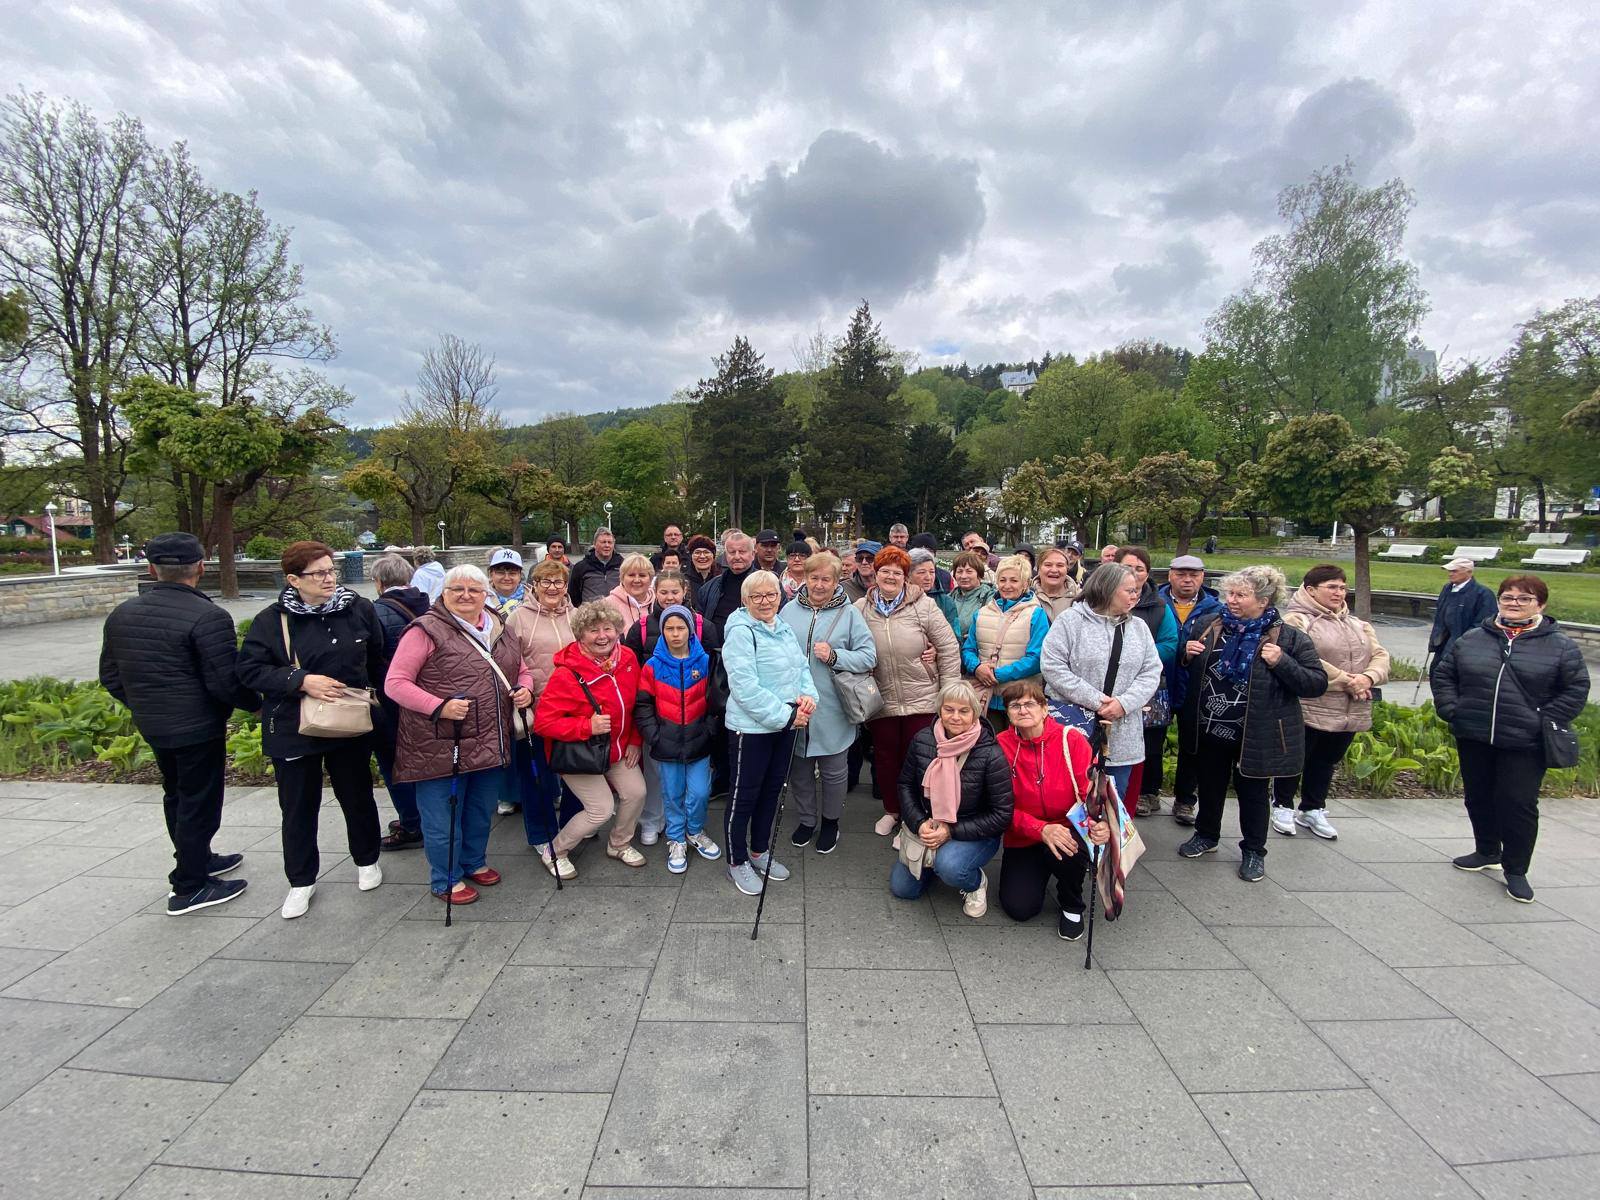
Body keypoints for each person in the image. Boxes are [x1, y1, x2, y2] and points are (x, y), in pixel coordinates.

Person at [99, 532, 255, 915]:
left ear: (152, 569)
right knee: (199, 801)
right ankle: (189, 886)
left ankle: (197, 857)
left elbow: (110, 676)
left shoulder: (123, 614)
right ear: (201, 567)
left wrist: (144, 705)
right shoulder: (209, 616)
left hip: (155, 725)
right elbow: (225, 682)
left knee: (177, 796)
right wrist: (259, 706)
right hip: (197, 728)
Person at [237, 541, 387, 919]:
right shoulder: (273, 620)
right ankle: (301, 880)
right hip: (295, 726)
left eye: (331, 570)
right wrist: (300, 680)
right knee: (298, 807)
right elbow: (249, 669)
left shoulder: (358, 608)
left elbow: (378, 659)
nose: (328, 578)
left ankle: (367, 859)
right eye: (318, 573)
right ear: (293, 579)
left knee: (357, 796)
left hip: (349, 721)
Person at [1433, 574, 1589, 904]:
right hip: (1475, 733)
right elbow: (1446, 673)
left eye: (1524, 598)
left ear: (1540, 605)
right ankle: (1487, 850)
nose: (1514, 603)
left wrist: (1543, 720)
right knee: (1478, 796)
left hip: (1525, 741)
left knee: (1517, 804)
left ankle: (1516, 869)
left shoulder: (1560, 646)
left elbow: (1576, 689)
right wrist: (1452, 709)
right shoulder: (1475, 637)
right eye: (1508, 597)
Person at [383, 564, 533, 905]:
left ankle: (473, 861)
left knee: (479, 809)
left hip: (489, 739)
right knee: (443, 816)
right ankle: (445, 878)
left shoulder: (499, 626)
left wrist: (525, 689)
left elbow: (520, 669)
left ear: (485, 594)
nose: (466, 595)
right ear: (443, 593)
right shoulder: (425, 630)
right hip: (441, 742)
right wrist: (438, 706)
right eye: (457, 589)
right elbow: (395, 683)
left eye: (474, 590)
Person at [1175, 565, 1328, 883]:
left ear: (1263, 600)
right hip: (1209, 727)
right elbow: (1188, 663)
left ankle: (1254, 851)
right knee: (1210, 786)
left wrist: (1282, 662)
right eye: (1230, 593)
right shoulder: (1209, 624)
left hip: (1254, 733)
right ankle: (1206, 835)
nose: (1231, 600)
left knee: (1253, 794)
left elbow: (1315, 683)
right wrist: (1186, 653)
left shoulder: (1289, 638)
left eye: (1240, 595)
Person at [1273, 564, 1392, 841]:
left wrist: (1367, 678)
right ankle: (1282, 805)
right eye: (1332, 587)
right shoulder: (1296, 620)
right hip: (1311, 703)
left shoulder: (1358, 624)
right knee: (1297, 756)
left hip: (1350, 705)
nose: (1339, 593)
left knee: (1327, 759)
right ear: (1311, 590)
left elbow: (1380, 655)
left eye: (1342, 587)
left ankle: (1312, 808)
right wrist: (1346, 681)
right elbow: (1303, 658)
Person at [532, 600, 649, 879]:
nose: (602, 636)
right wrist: (586, 726)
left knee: (636, 793)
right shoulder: (566, 673)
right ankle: (555, 851)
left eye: (608, 628)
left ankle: (618, 844)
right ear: (580, 634)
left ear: (618, 630)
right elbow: (543, 723)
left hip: (617, 748)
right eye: (593, 630)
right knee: (601, 809)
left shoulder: (627, 658)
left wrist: (635, 740)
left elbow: (635, 704)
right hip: (581, 753)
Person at [722, 571, 818, 895]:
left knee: (771, 791)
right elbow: (744, 688)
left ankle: (758, 851)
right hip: (751, 729)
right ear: (745, 600)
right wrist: (788, 716)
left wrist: (808, 699)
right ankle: (737, 860)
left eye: (771, 594)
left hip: (786, 724)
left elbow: (801, 669)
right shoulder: (741, 632)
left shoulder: (783, 627)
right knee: (744, 796)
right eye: (757, 596)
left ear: (780, 596)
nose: (765, 601)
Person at [856, 546, 963, 839]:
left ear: (906, 577)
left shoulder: (924, 606)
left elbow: (948, 647)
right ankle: (892, 810)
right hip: (881, 698)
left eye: (897, 572)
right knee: (886, 758)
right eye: (885, 571)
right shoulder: (861, 608)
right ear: (875, 574)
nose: (890, 577)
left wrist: (949, 695)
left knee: (920, 760)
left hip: (923, 697)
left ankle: (914, 817)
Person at [995, 679, 1109, 940]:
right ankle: (1042, 869)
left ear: (1045, 708)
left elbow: (1092, 795)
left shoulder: (1072, 740)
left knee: (1068, 850)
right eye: (1015, 705)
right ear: (1008, 713)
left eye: (1030, 704)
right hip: (1024, 834)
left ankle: (1072, 903)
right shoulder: (999, 746)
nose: (1023, 710)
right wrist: (1040, 829)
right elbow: (999, 807)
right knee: (1019, 908)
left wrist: (1100, 823)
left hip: (1068, 828)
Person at [1039, 562, 1162, 804]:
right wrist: (1098, 701)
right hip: (1074, 728)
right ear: (1107, 589)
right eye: (1129, 590)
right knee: (1067, 799)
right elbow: (1052, 666)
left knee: (1112, 805)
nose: (1135, 596)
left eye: (1136, 590)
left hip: (1121, 732)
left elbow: (1151, 671)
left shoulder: (1138, 627)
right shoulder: (1070, 621)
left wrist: (1123, 704)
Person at [888, 681, 1013, 918]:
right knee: (903, 889)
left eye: (964, 711)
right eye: (949, 709)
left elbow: (1001, 814)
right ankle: (935, 864)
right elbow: (905, 785)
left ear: (975, 713)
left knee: (951, 867)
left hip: (974, 832)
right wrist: (919, 823)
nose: (955, 717)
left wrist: (950, 831)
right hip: (929, 823)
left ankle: (975, 883)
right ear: (940, 710)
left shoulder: (990, 753)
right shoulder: (923, 740)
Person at [779, 552, 877, 853]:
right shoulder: (788, 611)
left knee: (834, 772)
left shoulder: (849, 614)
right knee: (799, 770)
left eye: (826, 579)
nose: (819, 585)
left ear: (837, 582)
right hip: (796, 706)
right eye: (814, 578)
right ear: (805, 578)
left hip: (833, 707)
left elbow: (869, 656)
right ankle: (807, 820)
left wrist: (835, 656)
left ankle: (831, 822)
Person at [625, 569, 722, 845]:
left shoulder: (704, 654)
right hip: (664, 732)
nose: (675, 633)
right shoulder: (648, 651)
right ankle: (673, 835)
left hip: (697, 734)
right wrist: (653, 734)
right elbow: (642, 698)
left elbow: (715, 694)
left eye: (675, 591)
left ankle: (694, 830)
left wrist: (709, 729)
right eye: (664, 591)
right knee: (669, 790)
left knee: (699, 791)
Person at [505, 558, 583, 866]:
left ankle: (572, 827)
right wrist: (521, 689)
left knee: (577, 771)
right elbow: (510, 662)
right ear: (534, 585)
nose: (552, 588)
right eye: (545, 582)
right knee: (536, 775)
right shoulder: (518, 618)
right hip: (535, 709)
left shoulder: (576, 615)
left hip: (573, 709)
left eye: (558, 582)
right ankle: (541, 833)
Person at [370, 553, 431, 848]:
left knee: (394, 763)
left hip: (391, 701)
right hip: (427, 698)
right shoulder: (428, 604)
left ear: (379, 582)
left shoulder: (377, 611)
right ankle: (429, 818)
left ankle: (411, 824)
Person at [1159, 554, 1223, 826]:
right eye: (1181, 574)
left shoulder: (1215, 609)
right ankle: (1148, 793)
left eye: (1194, 575)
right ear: (1170, 575)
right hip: (1160, 683)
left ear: (1202, 577)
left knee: (1191, 745)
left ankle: (1185, 799)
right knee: (1152, 742)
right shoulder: (1156, 602)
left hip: (1195, 686)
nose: (1187, 580)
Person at [1116, 547, 1180, 817]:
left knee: (1147, 745)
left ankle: (1144, 794)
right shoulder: (1097, 602)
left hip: (1147, 686)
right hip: (1110, 688)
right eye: (1127, 567)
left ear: (1148, 573)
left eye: (1139, 569)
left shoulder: (1159, 607)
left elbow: (1170, 643)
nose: (1133, 573)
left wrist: (1135, 659)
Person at [962, 554, 1050, 729]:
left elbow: (1037, 658)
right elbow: (968, 649)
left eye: (1014, 580)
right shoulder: (982, 613)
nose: (1007, 585)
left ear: (1025, 583)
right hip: (985, 697)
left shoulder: (1036, 614)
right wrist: (977, 668)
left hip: (1021, 698)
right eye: (1002, 580)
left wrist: (999, 675)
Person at [1429, 557, 1496, 684]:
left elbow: (1484, 623)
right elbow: (1439, 617)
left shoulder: (1483, 594)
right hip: (1443, 642)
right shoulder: (1447, 589)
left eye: (1455, 571)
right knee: (1436, 673)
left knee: (1453, 678)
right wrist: (1434, 639)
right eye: (1449, 571)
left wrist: (1465, 640)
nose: (1450, 574)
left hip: (1465, 645)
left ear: (1469, 572)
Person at [697, 529, 759, 633]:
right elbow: (700, 624)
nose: (737, 557)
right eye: (732, 552)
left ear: (753, 554)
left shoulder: (768, 584)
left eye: (742, 552)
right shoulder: (709, 588)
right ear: (725, 556)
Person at [946, 550, 997, 645]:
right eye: (959, 571)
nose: (963, 576)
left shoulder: (991, 598)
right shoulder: (948, 599)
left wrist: (976, 635)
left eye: (969, 571)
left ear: (979, 574)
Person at [568, 527, 622, 606]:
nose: (607, 545)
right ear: (594, 544)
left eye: (610, 542)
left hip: (617, 612)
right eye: (603, 542)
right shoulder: (581, 567)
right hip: (590, 612)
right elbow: (573, 595)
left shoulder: (623, 566)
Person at [909, 548, 959, 631]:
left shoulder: (946, 602)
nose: (928, 577)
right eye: (922, 572)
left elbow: (955, 634)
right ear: (908, 575)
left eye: (932, 572)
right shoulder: (898, 600)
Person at [607, 552, 654, 635]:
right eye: (631, 575)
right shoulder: (608, 605)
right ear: (622, 578)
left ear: (650, 579)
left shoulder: (659, 602)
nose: (637, 580)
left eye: (642, 575)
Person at [1033, 545, 1080, 621]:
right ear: (1039, 569)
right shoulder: (1025, 596)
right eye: (1048, 565)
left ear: (1067, 570)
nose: (1054, 570)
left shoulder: (1080, 599)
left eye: (1060, 565)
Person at [486, 547, 529, 614]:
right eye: (500, 573)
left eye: (512, 573)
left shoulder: (535, 598)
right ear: (491, 574)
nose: (506, 578)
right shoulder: (481, 599)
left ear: (520, 575)